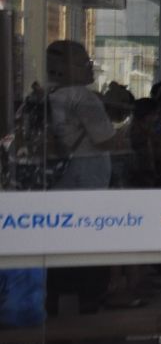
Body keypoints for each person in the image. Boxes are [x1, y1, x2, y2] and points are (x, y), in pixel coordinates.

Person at [41, 41, 121, 315]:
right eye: (83, 62)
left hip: (58, 186)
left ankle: (54, 316)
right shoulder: (83, 98)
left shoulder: (48, 94)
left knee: (58, 257)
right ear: (65, 68)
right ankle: (84, 325)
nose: (89, 66)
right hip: (85, 187)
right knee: (87, 258)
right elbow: (106, 140)